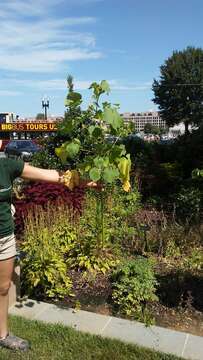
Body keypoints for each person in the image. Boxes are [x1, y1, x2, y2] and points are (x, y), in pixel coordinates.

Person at [0, 139, 96, 351]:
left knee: (4, 288)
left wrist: (86, 180)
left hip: (4, 238)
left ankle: (3, 335)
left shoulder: (6, 166)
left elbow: (52, 175)